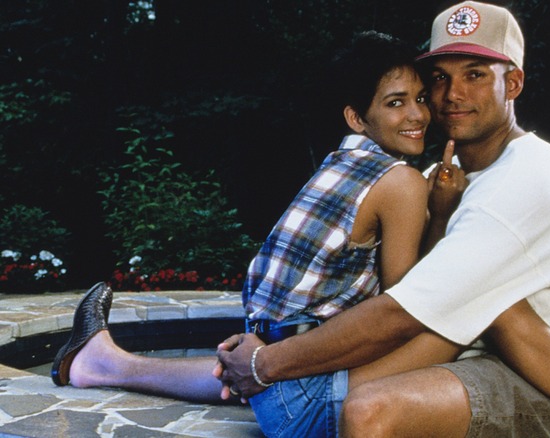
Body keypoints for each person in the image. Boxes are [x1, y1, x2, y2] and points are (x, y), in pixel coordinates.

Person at [216, 2, 550, 437]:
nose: (453, 94)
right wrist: (263, 342)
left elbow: (401, 311)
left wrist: (267, 363)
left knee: (371, 409)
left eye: (476, 75)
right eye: (439, 77)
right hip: (471, 358)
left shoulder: (527, 180)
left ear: (513, 84)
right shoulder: (444, 178)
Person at [50, 31, 468, 437]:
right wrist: (441, 213)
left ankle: (101, 363)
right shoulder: (402, 183)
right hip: (299, 393)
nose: (418, 115)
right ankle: (102, 362)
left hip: (265, 366)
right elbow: (409, 304)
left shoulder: (341, 161)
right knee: (464, 314)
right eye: (396, 103)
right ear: (357, 118)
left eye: (419, 99)